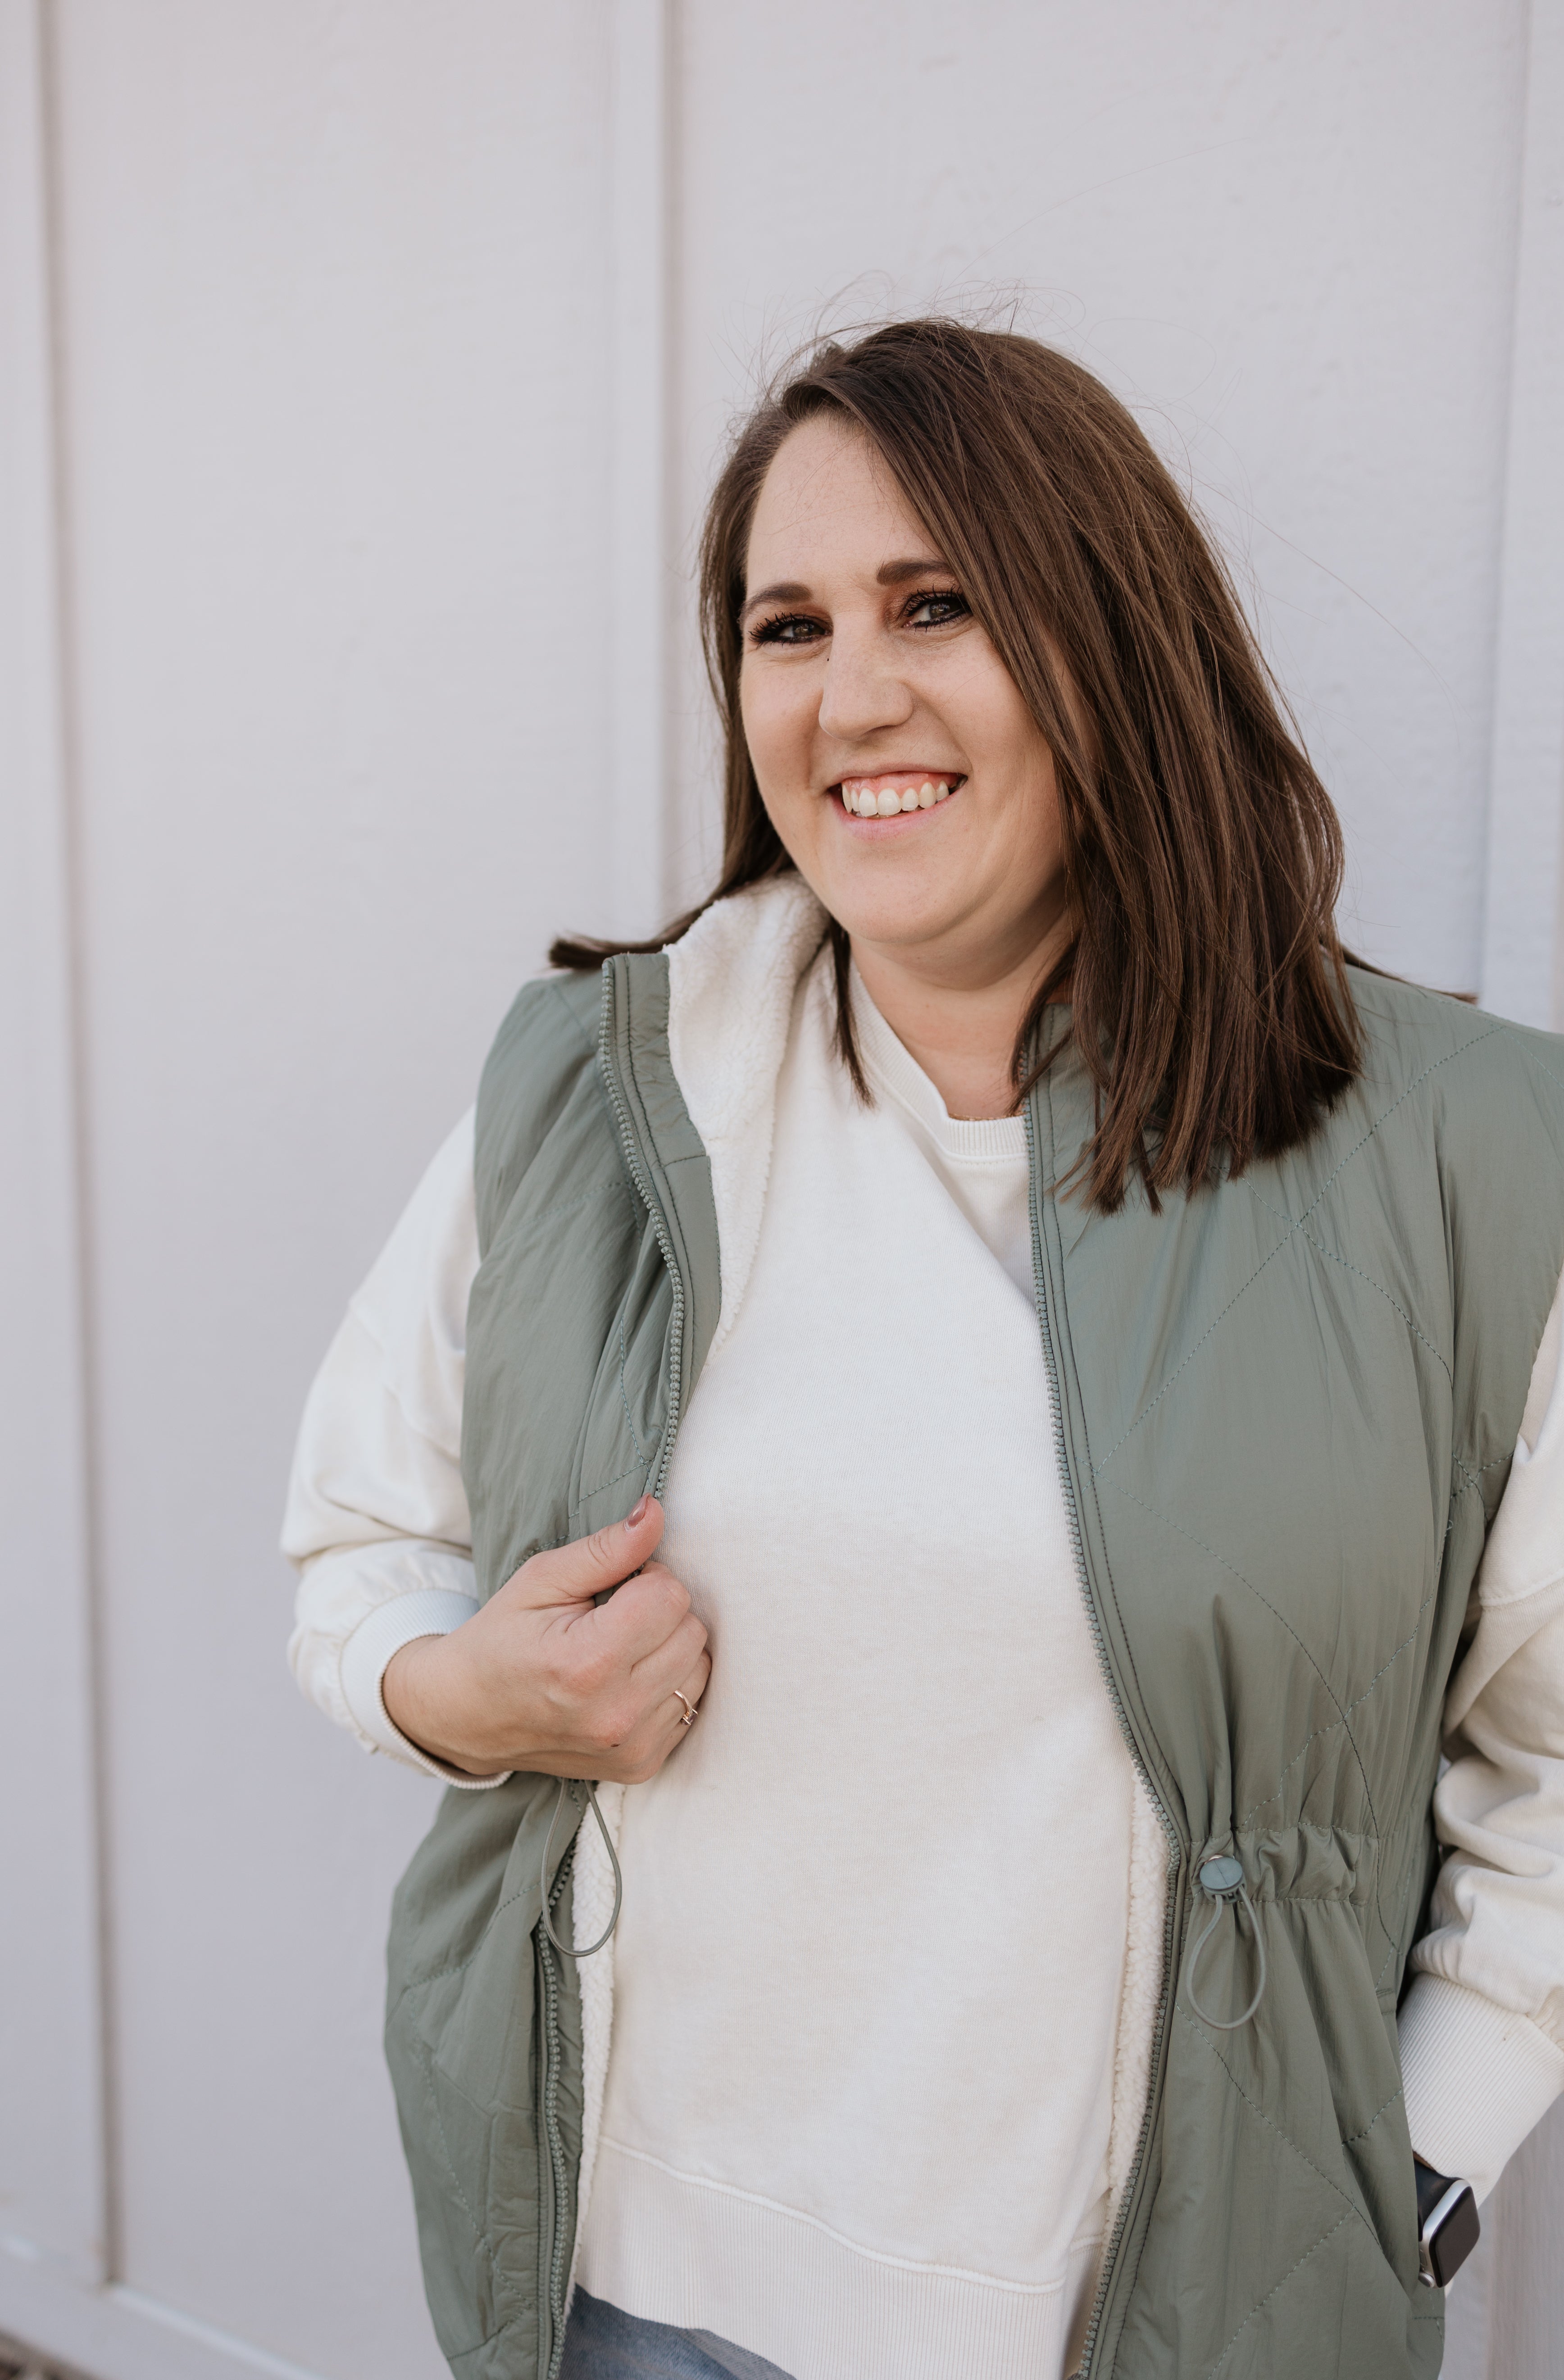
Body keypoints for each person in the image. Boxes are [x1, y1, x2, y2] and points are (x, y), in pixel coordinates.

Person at [284, 321, 1564, 2380]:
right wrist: (462, 1693)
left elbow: (1552, 1761)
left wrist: (1407, 2168)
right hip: (618, 2289)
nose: (851, 693)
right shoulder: (593, 1090)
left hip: (1140, 2327)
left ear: (1109, 638)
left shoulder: (1473, 1158)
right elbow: (357, 1548)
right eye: (786, 625)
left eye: (937, 602)